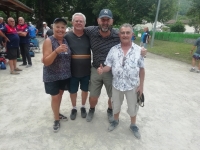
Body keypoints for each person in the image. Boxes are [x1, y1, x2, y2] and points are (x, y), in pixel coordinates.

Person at [84, 9, 147, 122]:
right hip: (96, 69)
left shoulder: (117, 34)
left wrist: (141, 50)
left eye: (108, 20)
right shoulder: (91, 31)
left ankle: (110, 111)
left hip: (111, 71)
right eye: (103, 19)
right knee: (93, 95)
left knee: (112, 96)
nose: (105, 22)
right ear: (98, 20)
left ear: (112, 21)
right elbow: (77, 28)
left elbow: (128, 38)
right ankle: (92, 109)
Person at [97, 23, 145, 139]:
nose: (125, 35)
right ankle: (115, 121)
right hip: (117, 85)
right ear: (119, 35)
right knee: (116, 105)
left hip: (132, 86)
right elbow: (109, 66)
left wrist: (141, 86)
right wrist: (102, 69)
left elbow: (142, 70)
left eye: (127, 33)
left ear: (132, 35)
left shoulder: (139, 50)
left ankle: (133, 125)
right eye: (122, 33)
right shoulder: (113, 50)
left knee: (133, 107)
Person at [42, 18, 71, 132]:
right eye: (57, 26)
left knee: (59, 96)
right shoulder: (49, 41)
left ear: (65, 29)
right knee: (55, 97)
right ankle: (56, 119)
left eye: (63, 27)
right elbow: (46, 61)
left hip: (63, 75)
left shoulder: (66, 40)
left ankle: (57, 113)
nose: (60, 29)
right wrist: (56, 51)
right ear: (53, 28)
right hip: (51, 75)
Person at [64, 13, 91, 120]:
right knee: (73, 91)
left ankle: (83, 107)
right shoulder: (67, 36)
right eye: (77, 21)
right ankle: (74, 108)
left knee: (85, 90)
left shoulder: (89, 36)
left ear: (84, 23)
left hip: (86, 70)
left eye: (81, 21)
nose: (79, 23)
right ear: (72, 22)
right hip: (72, 70)